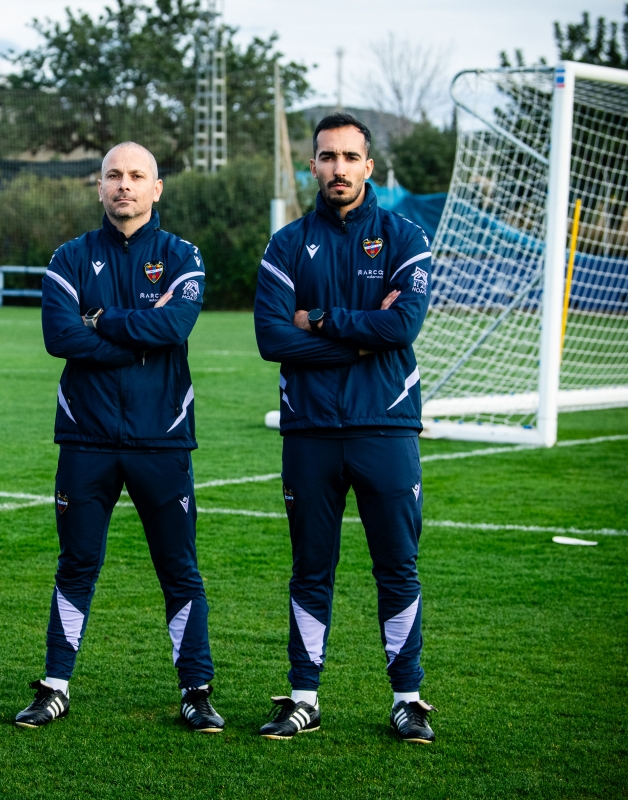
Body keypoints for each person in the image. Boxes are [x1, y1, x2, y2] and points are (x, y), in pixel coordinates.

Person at [14, 142, 221, 733]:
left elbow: (175, 323)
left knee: (179, 569)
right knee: (76, 563)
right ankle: (55, 685)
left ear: (157, 189)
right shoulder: (70, 257)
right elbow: (60, 336)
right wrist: (138, 330)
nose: (124, 185)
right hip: (86, 438)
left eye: (136, 176)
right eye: (113, 175)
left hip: (163, 438)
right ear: (98, 187)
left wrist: (100, 319)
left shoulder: (183, 255)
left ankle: (197, 691)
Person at [253, 112, 437, 743]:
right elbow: (271, 338)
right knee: (310, 568)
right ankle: (304, 697)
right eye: (327, 158)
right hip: (309, 431)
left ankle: (408, 699)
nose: (339, 169)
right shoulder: (286, 244)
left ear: (369, 166)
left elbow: (402, 328)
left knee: (398, 566)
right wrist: (361, 339)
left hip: (385, 427)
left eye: (350, 157)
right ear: (313, 166)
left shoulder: (405, 235)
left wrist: (322, 320)